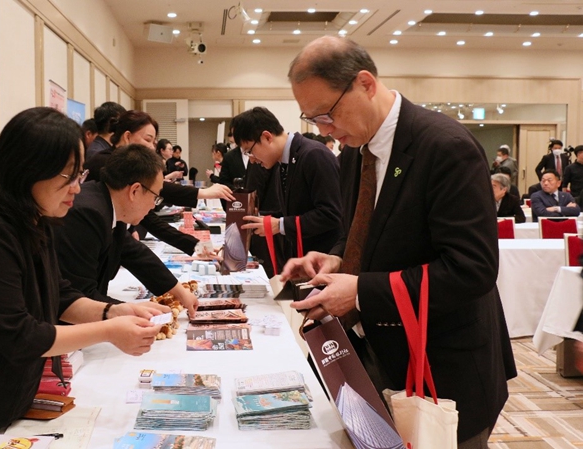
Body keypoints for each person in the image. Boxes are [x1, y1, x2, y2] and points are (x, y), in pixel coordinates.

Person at [282, 36, 515, 447]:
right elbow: (360, 231)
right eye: (313, 120)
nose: (326, 130)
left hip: (443, 371)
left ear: (366, 84)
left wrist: (361, 292)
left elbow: (471, 268)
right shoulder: (355, 152)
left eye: (327, 114)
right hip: (377, 361)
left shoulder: (445, 147)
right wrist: (336, 259)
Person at [0, 108, 166, 449]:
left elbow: (58, 294)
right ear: (28, 170)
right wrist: (109, 331)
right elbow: (19, 336)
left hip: (1, 403)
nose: (76, 188)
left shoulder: (36, 220)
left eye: (79, 175)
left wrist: (112, 312)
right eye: (66, 177)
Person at [52, 144, 199, 313]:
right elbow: (78, 295)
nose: (153, 205)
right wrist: (129, 310)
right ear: (135, 190)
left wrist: (178, 291)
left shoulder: (109, 205)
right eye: (155, 197)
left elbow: (135, 254)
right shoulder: (88, 214)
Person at [85, 110, 233, 255]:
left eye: (154, 141)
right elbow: (162, 190)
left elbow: (150, 219)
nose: (151, 147)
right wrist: (202, 193)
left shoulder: (125, 168)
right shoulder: (106, 163)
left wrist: (195, 246)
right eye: (147, 140)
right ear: (127, 136)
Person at [231, 106, 343, 264]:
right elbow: (296, 209)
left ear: (267, 137)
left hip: (323, 260)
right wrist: (263, 219)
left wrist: (280, 225)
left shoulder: (313, 155)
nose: (252, 159)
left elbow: (331, 214)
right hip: (301, 260)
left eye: (250, 151)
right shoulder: (284, 161)